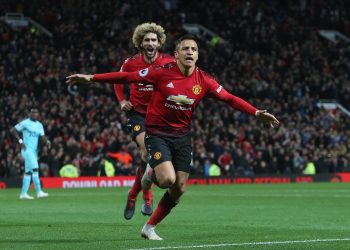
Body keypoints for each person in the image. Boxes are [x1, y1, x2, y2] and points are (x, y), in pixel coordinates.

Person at [66, 35, 280, 240]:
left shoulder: (204, 80)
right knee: (167, 179)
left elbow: (229, 98)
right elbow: (126, 77)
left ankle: (149, 227)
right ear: (176, 54)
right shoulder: (160, 72)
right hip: (157, 133)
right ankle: (150, 173)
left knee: (179, 189)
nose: (190, 52)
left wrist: (256, 113)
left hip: (182, 137)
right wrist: (92, 78)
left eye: (194, 49)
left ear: (197, 55)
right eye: (185, 49)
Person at [114, 22, 175, 220]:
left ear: (159, 43)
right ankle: (147, 197)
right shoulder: (131, 63)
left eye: (153, 40)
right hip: (137, 114)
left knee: (146, 156)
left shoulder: (169, 62)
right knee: (147, 150)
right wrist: (122, 100)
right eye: (146, 40)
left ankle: (132, 195)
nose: (150, 43)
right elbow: (118, 80)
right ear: (140, 43)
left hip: (159, 115)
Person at [10, 108, 51, 199]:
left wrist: (47, 142)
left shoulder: (39, 125)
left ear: (38, 115)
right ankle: (39, 192)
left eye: (36, 114)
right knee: (35, 169)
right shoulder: (25, 123)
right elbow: (13, 130)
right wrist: (20, 141)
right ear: (30, 114)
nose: (34, 115)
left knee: (28, 172)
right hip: (26, 150)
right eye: (32, 113)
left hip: (34, 152)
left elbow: (42, 136)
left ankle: (23, 194)